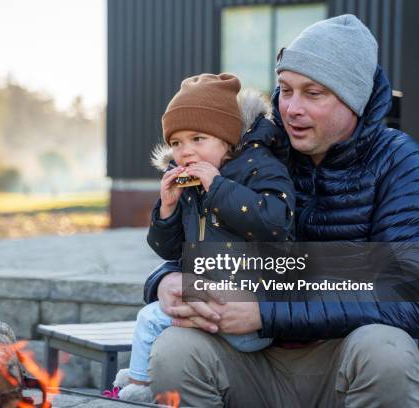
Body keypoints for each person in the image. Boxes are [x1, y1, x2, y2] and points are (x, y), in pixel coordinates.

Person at [143, 14, 419, 407]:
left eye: (313, 93)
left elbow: (410, 293)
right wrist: (165, 281)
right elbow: (202, 231)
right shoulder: (251, 155)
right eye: (285, 89)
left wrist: (265, 311)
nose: (291, 108)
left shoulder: (400, 163)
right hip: (249, 360)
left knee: (388, 349)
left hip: (345, 357)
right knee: (175, 348)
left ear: (354, 98)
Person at [113, 73, 296, 402]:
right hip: (212, 298)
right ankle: (142, 374)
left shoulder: (260, 167)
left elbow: (276, 223)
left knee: (151, 319)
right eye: (176, 142)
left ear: (227, 139)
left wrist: (220, 189)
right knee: (162, 313)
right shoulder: (190, 185)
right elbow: (168, 249)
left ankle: (139, 385)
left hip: (254, 309)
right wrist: (166, 209)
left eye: (198, 138)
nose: (185, 152)